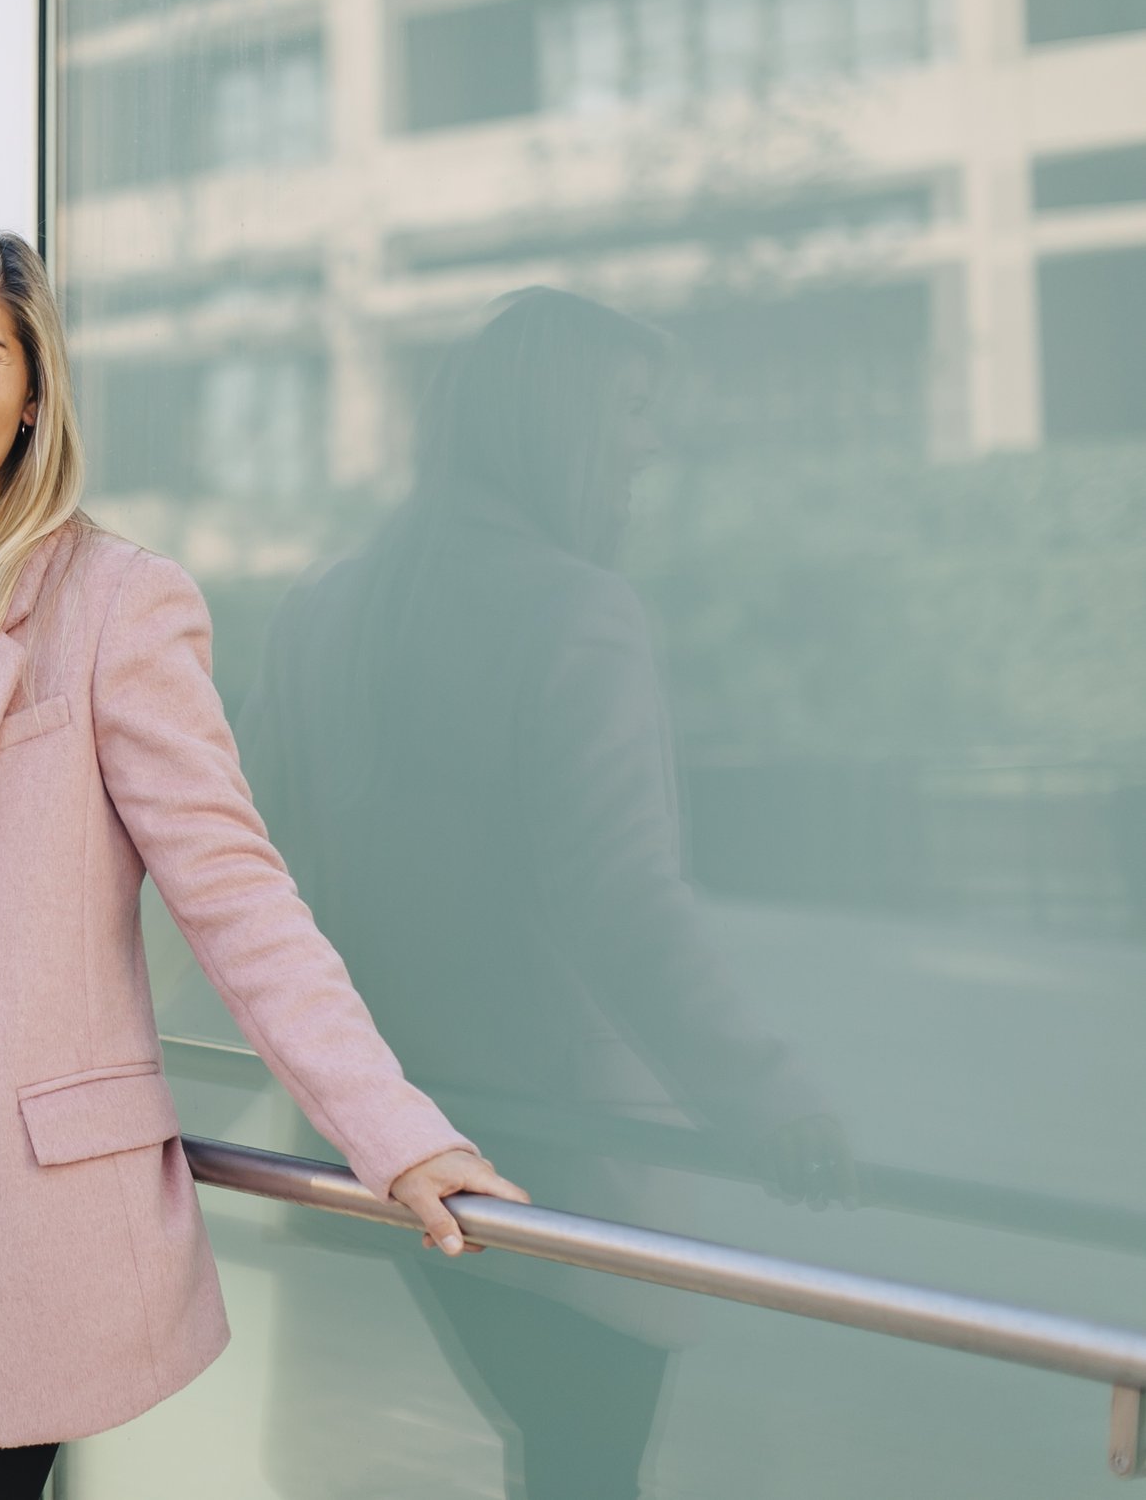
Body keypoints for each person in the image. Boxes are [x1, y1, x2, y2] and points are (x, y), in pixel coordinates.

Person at [0, 222, 525, 1500]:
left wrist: (388, 1130)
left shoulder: (119, 603)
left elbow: (234, 892)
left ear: (30, 397)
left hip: (4, 1162)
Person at [241, 287, 854, 1499]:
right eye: (631, 409)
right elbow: (626, 904)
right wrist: (771, 1094)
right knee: (583, 1474)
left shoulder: (327, 608)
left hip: (383, 1150)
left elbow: (256, 872)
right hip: (560, 1170)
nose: (649, 443)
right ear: (557, 422)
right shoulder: (575, 611)